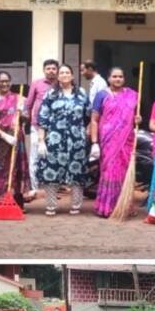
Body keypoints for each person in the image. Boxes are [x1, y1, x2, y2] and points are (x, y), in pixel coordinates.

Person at [36, 64, 91, 216]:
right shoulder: (51, 94)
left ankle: (76, 204)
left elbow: (88, 116)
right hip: (55, 139)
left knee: (77, 172)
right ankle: (51, 205)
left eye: (67, 72)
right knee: (52, 171)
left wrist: (88, 135)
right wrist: (41, 141)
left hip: (77, 140)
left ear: (72, 76)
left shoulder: (81, 93)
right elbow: (43, 118)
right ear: (58, 76)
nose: (65, 75)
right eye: (62, 73)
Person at [90, 67, 142, 218]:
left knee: (125, 172)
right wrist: (94, 142)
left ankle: (124, 206)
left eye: (120, 76)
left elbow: (136, 117)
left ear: (124, 79)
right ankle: (107, 206)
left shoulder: (132, 95)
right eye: (114, 76)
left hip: (126, 140)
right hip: (108, 140)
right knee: (110, 171)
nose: (118, 79)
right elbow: (94, 120)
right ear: (108, 78)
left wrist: (138, 119)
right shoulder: (101, 95)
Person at [0, 71, 30, 215]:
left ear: (11, 82)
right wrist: (3, 135)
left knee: (15, 169)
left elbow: (26, 119)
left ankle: (16, 202)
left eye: (7, 81)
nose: (4, 84)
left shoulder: (19, 99)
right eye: (1, 81)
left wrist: (23, 113)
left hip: (15, 140)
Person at [24, 58, 60, 198]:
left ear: (57, 70)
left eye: (53, 68)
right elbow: (28, 104)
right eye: (48, 68)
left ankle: (53, 189)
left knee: (54, 158)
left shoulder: (61, 84)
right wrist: (26, 121)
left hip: (56, 128)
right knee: (35, 157)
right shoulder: (36, 83)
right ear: (44, 70)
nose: (51, 71)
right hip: (37, 126)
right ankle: (33, 188)